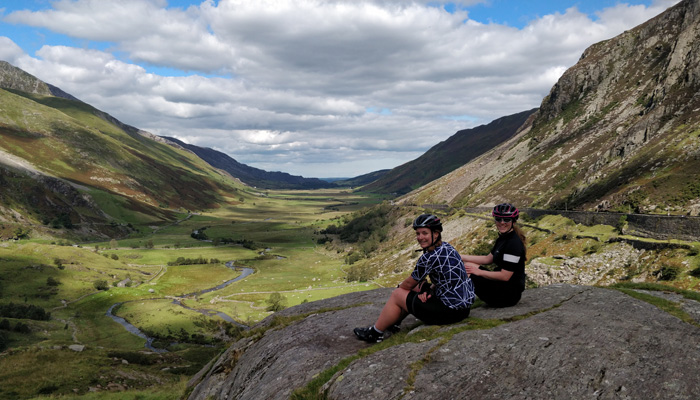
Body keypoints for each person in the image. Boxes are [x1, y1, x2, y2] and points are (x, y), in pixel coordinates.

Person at [354, 214, 475, 343]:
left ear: (436, 233)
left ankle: (375, 333)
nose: (420, 238)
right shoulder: (447, 247)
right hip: (463, 309)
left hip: (449, 312)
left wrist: (401, 291)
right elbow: (446, 279)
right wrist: (427, 291)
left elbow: (407, 285)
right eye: (418, 234)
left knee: (398, 294)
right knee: (417, 287)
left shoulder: (429, 257)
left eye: (424, 233)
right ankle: (393, 323)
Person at [461, 203, 527, 307]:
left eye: (506, 220)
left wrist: (479, 272)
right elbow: (488, 259)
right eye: (498, 219)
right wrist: (460, 256)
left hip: (507, 295)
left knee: (465, 270)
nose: (502, 222)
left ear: (513, 221)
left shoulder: (513, 244)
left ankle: (455, 303)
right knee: (467, 265)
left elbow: (505, 276)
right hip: (502, 287)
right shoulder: (504, 238)